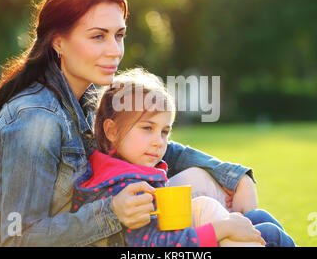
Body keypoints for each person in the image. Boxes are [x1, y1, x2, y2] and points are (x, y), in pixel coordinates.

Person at [0, 0, 259, 246]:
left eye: (119, 35)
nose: (114, 50)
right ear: (59, 42)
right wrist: (112, 212)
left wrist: (234, 177)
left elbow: (157, 144)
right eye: (98, 36)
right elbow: (17, 239)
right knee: (218, 225)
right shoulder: (35, 121)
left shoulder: (90, 98)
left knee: (204, 184)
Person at [72, 68, 295, 247]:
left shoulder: (122, 168)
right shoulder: (126, 186)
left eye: (164, 132)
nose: (159, 141)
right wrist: (222, 229)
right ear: (111, 131)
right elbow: (156, 245)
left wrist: (237, 180)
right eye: (147, 128)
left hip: (187, 234)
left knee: (260, 217)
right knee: (269, 234)